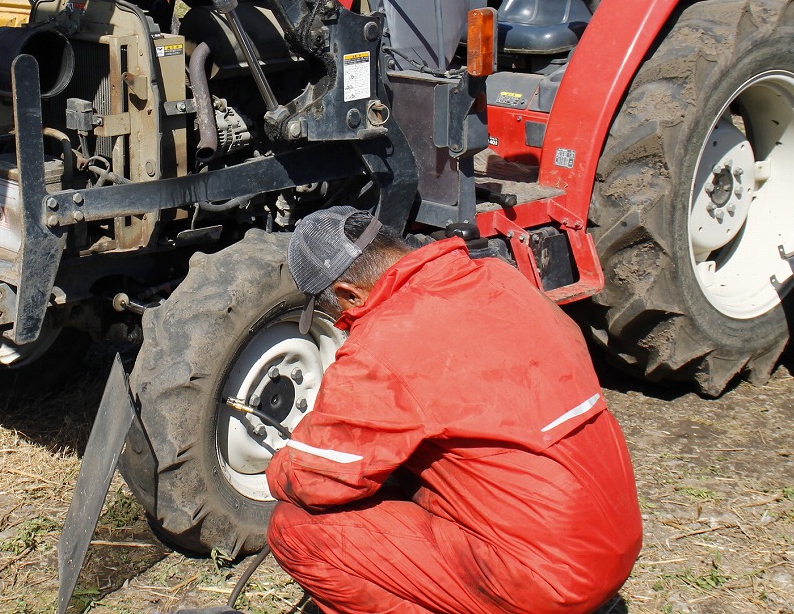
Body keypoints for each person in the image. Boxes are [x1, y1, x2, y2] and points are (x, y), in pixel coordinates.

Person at [267, 207, 643, 613]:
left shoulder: (386, 340)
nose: (344, 326)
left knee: (295, 531)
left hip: (547, 579)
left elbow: (316, 479)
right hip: (614, 541)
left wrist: (281, 467)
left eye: (341, 317)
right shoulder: (500, 277)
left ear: (349, 295)